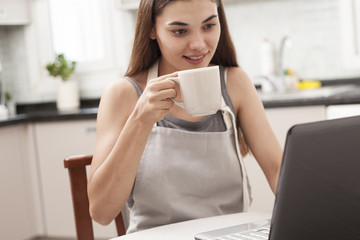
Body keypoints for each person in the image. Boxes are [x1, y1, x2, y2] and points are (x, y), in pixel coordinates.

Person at [88, 0, 282, 234]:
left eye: (209, 26)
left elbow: (277, 170)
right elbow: (101, 212)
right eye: (179, 31)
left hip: (230, 235)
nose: (199, 45)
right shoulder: (123, 94)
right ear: (151, 29)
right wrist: (140, 119)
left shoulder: (235, 82)